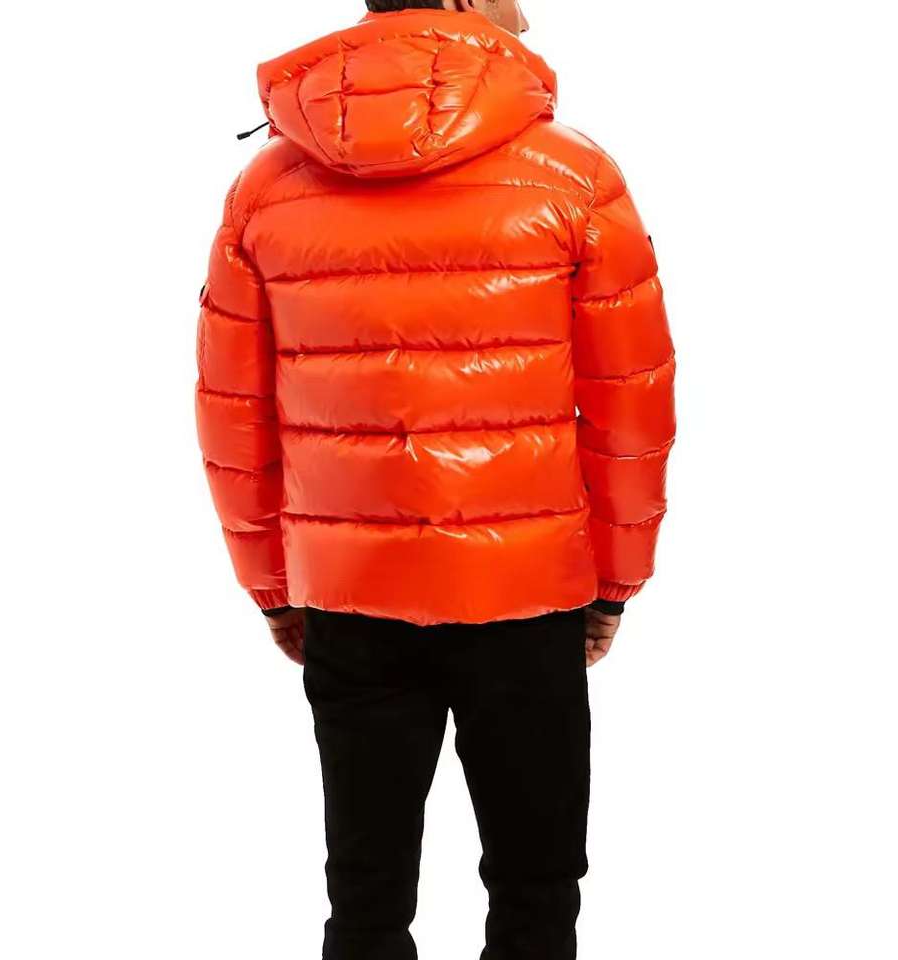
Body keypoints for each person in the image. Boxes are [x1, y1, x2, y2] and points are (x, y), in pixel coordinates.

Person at [195, 0, 675, 956]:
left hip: (350, 593)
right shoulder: (573, 175)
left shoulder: (268, 188)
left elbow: (232, 410)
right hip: (527, 591)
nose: (524, 10)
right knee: (537, 891)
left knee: (366, 899)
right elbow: (632, 406)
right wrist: (613, 585)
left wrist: (275, 589)